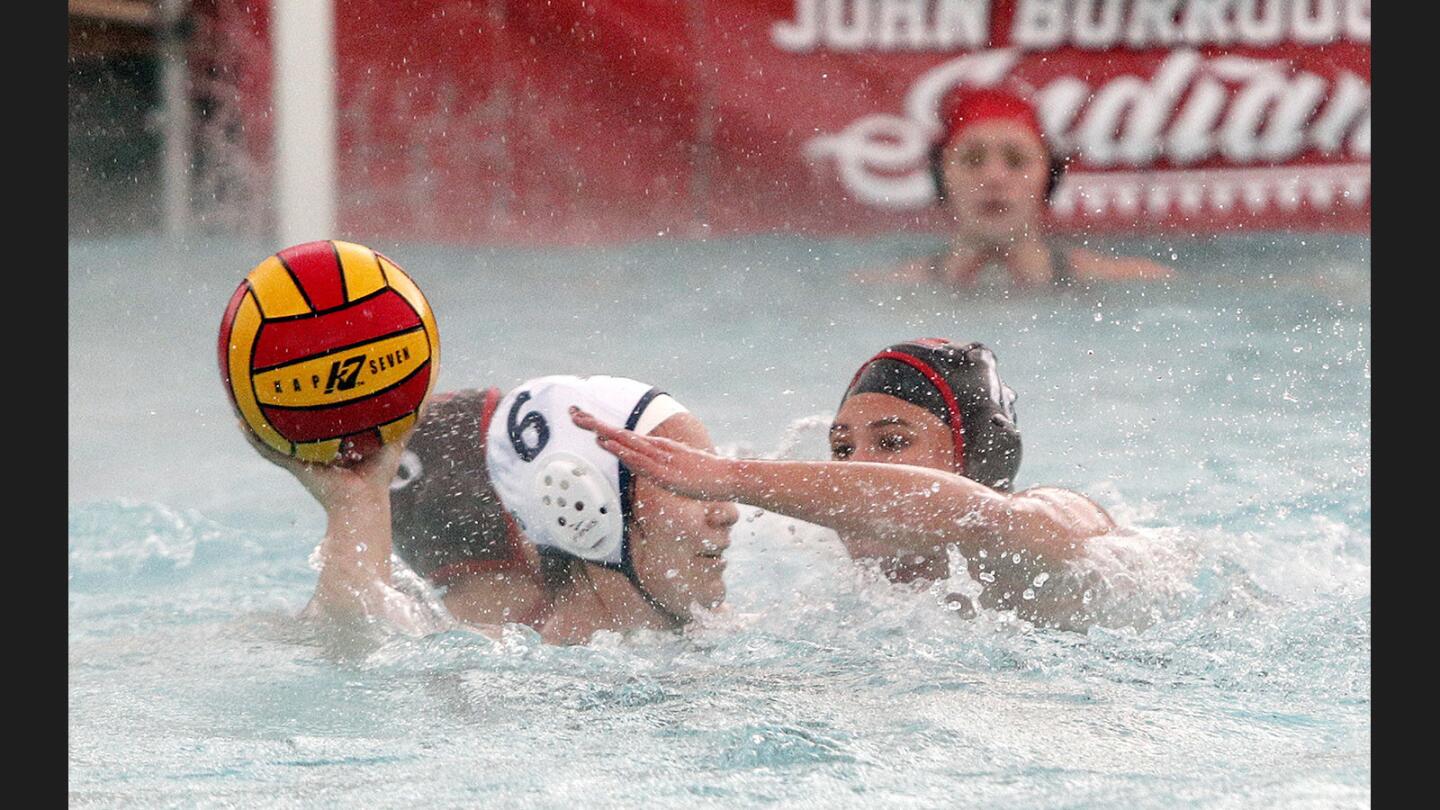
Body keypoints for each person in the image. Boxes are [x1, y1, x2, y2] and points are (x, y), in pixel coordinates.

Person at [570, 339, 1120, 630]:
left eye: (892, 442)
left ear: (974, 462)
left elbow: (991, 517)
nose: (854, 468)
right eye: (840, 450)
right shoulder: (848, 605)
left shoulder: (1061, 518)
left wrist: (729, 478)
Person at [246, 374, 740, 645]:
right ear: (583, 503)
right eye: (686, 482)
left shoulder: (731, 635)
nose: (729, 511)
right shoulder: (498, 659)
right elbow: (354, 638)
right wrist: (354, 503)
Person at [893, 85, 1171, 288]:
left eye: (1016, 161)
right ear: (942, 177)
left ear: (1048, 179)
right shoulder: (888, 290)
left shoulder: (1133, 282)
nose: (994, 178)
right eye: (972, 160)